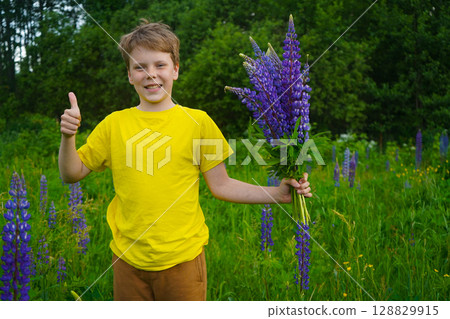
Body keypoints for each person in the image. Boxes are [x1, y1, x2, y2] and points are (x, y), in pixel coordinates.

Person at [58, 19, 312, 301]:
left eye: (159, 65)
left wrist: (278, 193)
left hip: (183, 262)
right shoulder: (113, 124)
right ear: (129, 75)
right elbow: (72, 174)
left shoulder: (199, 122)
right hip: (127, 261)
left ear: (175, 70)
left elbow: (222, 185)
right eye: (139, 67)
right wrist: (68, 136)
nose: (150, 74)